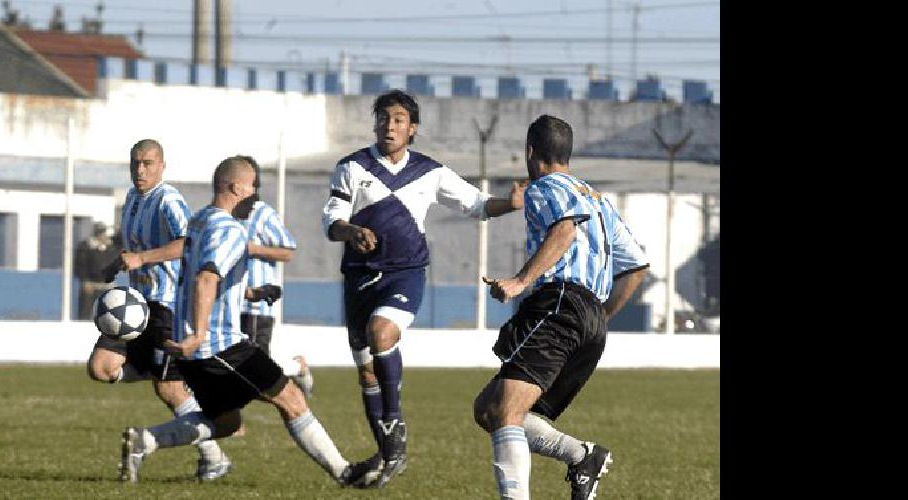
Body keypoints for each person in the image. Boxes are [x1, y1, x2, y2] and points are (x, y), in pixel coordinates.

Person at [118, 156, 378, 487]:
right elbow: (205, 279)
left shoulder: (199, 221)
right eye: (253, 186)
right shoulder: (230, 230)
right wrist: (199, 333)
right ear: (236, 187)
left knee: (225, 422)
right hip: (221, 344)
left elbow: (206, 276)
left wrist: (251, 293)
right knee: (291, 398)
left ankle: (145, 441)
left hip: (197, 351)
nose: (255, 193)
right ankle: (346, 473)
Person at [321, 89, 527, 488]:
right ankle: (388, 453)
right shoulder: (351, 167)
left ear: (412, 128)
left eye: (398, 119)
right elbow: (332, 221)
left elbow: (476, 203)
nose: (389, 125)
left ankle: (395, 423)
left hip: (405, 273)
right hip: (360, 278)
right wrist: (351, 231)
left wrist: (510, 203)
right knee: (366, 375)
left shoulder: (429, 172)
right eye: (383, 118)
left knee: (382, 334)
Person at [475, 115, 649, 500]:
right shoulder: (597, 198)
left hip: (559, 305)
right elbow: (636, 267)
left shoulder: (544, 187)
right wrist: (597, 319)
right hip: (589, 321)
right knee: (489, 408)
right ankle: (582, 456)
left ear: (530, 152)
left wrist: (520, 281)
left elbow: (564, 228)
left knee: (505, 413)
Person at [86, 139, 233, 482]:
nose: (141, 170)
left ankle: (215, 459)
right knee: (102, 367)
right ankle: (162, 369)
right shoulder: (132, 198)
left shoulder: (168, 199)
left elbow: (188, 242)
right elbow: (133, 247)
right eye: (136, 163)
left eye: (148, 163)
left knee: (169, 389)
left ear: (162, 166)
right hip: (136, 305)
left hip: (166, 305)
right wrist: (115, 265)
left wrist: (142, 259)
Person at [232, 155, 314, 398]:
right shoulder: (226, 214)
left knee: (254, 369)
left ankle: (296, 370)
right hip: (229, 301)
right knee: (234, 365)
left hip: (256, 303)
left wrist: (253, 248)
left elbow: (288, 251)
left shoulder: (263, 214)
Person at [74, 222, 118, 320]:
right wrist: (85, 280)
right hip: (91, 285)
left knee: (108, 313)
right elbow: (80, 265)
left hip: (107, 285)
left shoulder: (110, 247)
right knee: (85, 312)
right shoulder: (85, 246)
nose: (102, 236)